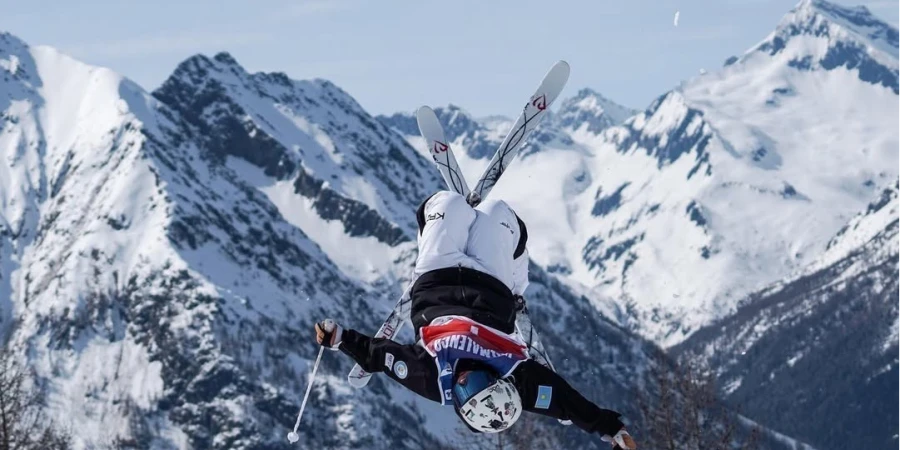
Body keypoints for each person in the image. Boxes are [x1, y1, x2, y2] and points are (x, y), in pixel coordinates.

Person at [314, 191, 637, 449]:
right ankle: (514, 274)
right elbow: (568, 404)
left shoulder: (431, 379)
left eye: (465, 390)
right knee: (500, 213)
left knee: (446, 202)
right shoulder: (519, 381)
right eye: (483, 383)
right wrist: (613, 431)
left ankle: (455, 217)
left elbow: (380, 357)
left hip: (436, 277)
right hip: (491, 282)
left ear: (459, 402)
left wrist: (339, 338)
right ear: (503, 384)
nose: (468, 378)